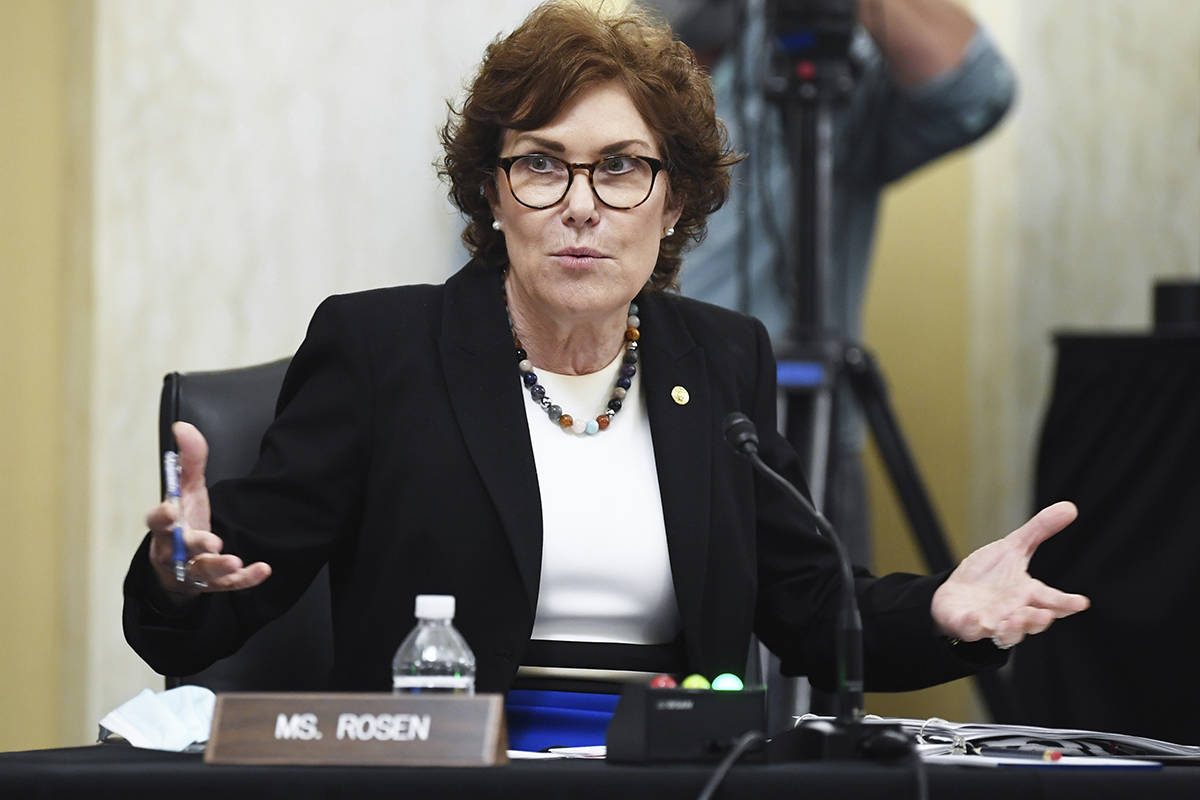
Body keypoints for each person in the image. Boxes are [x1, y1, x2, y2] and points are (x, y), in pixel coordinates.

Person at [124, 1, 1084, 752]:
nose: (582, 206)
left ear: (673, 204)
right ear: (494, 196)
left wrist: (944, 612)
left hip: (672, 778)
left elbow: (813, 609)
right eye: (542, 166)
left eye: (623, 169)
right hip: (448, 784)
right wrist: (181, 578)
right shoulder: (383, 348)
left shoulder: (720, 360)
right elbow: (216, 599)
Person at [657, 0, 1017, 568]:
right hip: (644, 440)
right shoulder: (612, 89)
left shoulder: (825, 80)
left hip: (807, 441)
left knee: (831, 641)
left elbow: (977, 90)